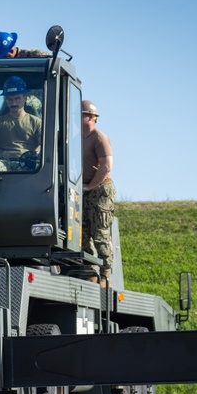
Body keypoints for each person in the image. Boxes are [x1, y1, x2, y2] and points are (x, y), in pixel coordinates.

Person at [81, 99, 115, 285]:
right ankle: (90, 271)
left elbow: (106, 166)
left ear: (90, 117)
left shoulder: (99, 138)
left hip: (101, 189)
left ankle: (105, 272)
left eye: (82, 115)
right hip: (86, 189)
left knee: (100, 232)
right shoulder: (79, 138)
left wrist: (90, 186)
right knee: (83, 232)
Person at [0, 76, 42, 170]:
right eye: (9, 99)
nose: (13, 103)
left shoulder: (36, 122)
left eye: (17, 98)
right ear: (6, 100)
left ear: (25, 98)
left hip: (26, 163)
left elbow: (45, 147)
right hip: (2, 163)